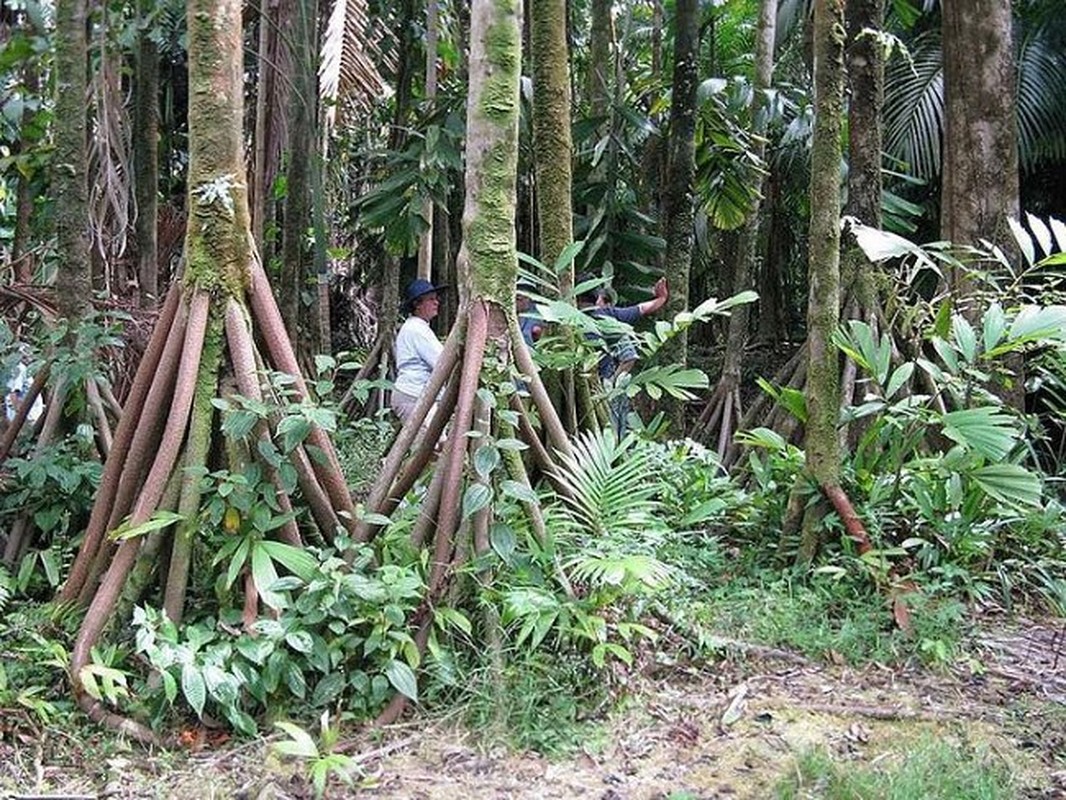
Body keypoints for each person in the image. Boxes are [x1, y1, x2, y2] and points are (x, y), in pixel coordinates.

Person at [578, 275, 669, 434]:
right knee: (614, 431)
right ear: (598, 297)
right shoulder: (610, 315)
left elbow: (629, 355)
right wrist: (662, 298)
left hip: (587, 386)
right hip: (606, 385)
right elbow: (642, 308)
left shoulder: (569, 321)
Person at [391, 278, 449, 424]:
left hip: (416, 396)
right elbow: (441, 363)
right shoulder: (417, 329)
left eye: (436, 299)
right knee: (429, 445)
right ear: (417, 304)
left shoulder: (418, 327)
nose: (436, 302)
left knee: (434, 443)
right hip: (413, 396)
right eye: (430, 299)